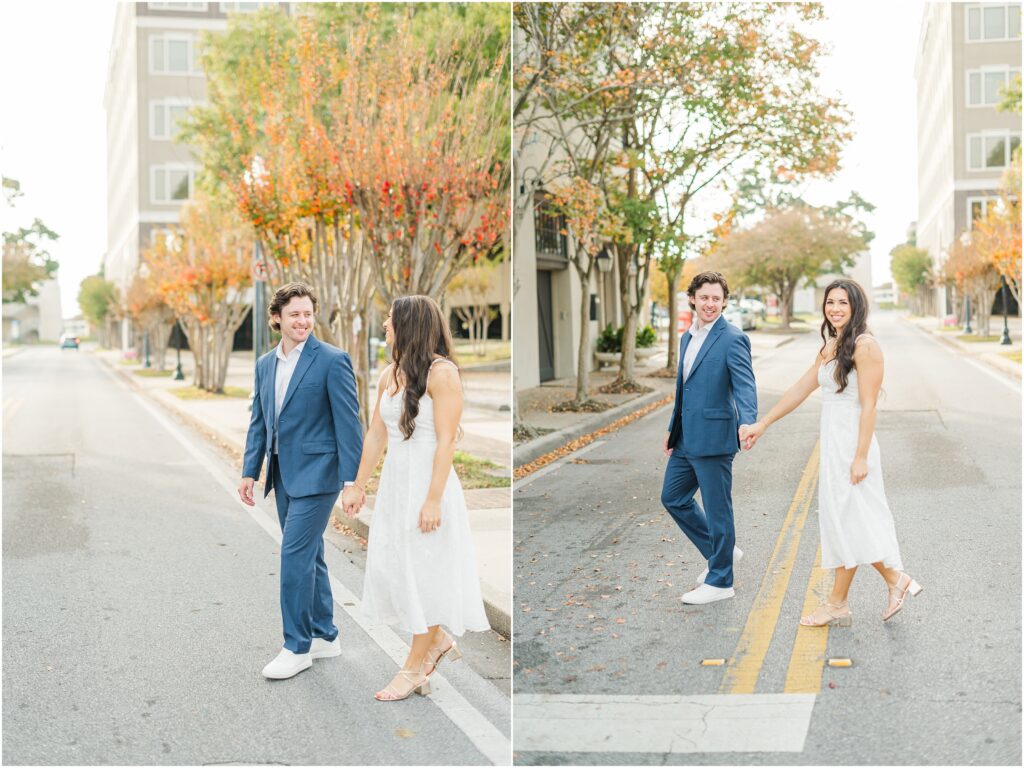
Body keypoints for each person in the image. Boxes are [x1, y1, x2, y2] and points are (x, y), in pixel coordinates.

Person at [740, 278, 922, 626]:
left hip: (854, 446)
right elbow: (800, 388)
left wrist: (860, 456)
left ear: (856, 307)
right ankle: (882, 585)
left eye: (843, 302)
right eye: (830, 302)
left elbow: (869, 406)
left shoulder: (866, 347)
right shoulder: (832, 346)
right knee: (843, 522)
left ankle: (860, 594)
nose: (835, 308)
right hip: (834, 446)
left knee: (849, 521)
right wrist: (762, 424)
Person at [344, 295, 489, 701]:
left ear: (409, 325)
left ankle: (411, 669)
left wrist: (433, 499)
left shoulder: (443, 374)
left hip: (429, 484)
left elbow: (446, 442)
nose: (385, 326)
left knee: (423, 575)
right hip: (396, 484)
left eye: (390, 320)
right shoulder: (389, 374)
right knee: (396, 570)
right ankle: (437, 638)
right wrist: (358, 485)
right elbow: (376, 434)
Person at [238, 282, 363, 679]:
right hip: (282, 475)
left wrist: (351, 481)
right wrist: (249, 471)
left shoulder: (331, 360)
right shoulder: (264, 365)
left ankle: (296, 646)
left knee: (294, 555)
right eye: (295, 314)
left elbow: (349, 424)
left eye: (308, 313)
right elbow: (260, 422)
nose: (303, 321)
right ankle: (325, 634)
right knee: (313, 555)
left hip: (319, 476)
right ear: (276, 318)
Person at [661, 271, 758, 605]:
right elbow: (684, 388)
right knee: (673, 498)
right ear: (693, 299)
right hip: (686, 437)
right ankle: (723, 553)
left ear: (725, 302)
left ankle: (720, 581)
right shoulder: (688, 337)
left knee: (718, 511)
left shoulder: (732, 338)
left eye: (717, 298)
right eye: (704, 297)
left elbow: (745, 385)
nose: (710, 304)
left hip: (716, 437)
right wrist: (674, 430)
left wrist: (748, 422)